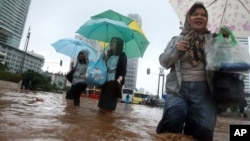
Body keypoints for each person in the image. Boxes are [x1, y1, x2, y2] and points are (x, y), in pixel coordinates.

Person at [156, 3, 217, 141]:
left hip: (205, 93)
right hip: (178, 91)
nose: (199, 17)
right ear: (188, 18)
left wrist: (223, 45)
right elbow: (164, 62)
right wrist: (176, 51)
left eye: (203, 15)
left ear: (207, 20)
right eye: (195, 14)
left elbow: (222, 65)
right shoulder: (176, 40)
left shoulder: (214, 41)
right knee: (171, 125)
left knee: (203, 131)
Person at [98, 37, 127, 114]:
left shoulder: (122, 55)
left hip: (114, 83)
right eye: (111, 41)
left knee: (109, 108)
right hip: (105, 82)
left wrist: (119, 80)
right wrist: (105, 58)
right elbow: (104, 68)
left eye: (114, 41)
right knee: (101, 106)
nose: (111, 43)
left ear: (118, 44)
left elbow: (123, 70)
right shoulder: (109, 55)